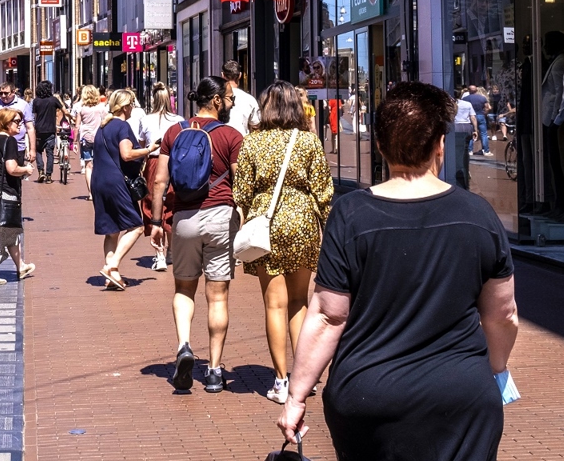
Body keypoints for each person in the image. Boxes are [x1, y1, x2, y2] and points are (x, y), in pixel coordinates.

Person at [277, 82, 518, 459]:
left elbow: (327, 315)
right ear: (440, 144)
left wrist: (296, 395)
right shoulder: (478, 215)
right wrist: (493, 370)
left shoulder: (351, 215)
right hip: (460, 397)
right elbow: (503, 314)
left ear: (380, 145)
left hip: (369, 394)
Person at [232, 82, 332, 404]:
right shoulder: (308, 141)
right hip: (302, 222)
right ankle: (305, 375)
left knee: (273, 303)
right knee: (299, 301)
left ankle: (280, 380)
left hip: (266, 223)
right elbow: (323, 191)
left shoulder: (253, 143)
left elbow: (242, 193)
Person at [151, 76, 243, 394]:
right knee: (217, 296)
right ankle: (215, 371)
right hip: (220, 217)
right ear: (216, 100)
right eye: (229, 98)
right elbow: (240, 182)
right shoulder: (231, 135)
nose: (232, 103)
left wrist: (154, 219)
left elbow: (160, 180)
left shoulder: (175, 132)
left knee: (184, 289)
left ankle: (184, 346)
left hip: (185, 218)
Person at [90, 89, 158, 290]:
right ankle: (111, 265)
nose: (133, 109)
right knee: (136, 226)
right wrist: (148, 150)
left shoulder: (103, 127)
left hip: (98, 181)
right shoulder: (122, 126)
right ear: (126, 106)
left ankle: (112, 276)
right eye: (133, 105)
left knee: (112, 231)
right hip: (115, 181)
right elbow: (127, 154)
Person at [0, 107, 37, 285]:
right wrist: (25, 169)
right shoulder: (9, 141)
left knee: (10, 230)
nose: (20, 125)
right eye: (16, 121)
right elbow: (11, 168)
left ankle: (20, 266)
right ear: (6, 123)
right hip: (3, 192)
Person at [136, 84, 185, 272]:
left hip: (154, 163)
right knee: (172, 203)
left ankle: (159, 254)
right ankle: (171, 250)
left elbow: (142, 145)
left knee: (151, 204)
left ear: (153, 99)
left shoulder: (146, 120)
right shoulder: (179, 120)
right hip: (174, 163)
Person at [0, 82, 36, 167]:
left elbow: (30, 128)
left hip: (18, 147)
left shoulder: (23, 105)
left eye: (6, 93)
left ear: (13, 92)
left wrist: (32, 150)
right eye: (1, 93)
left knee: (15, 175)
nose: (3, 96)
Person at [30, 81, 64, 183]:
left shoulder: (36, 101)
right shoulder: (54, 100)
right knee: (50, 153)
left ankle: (41, 171)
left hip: (39, 130)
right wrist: (71, 118)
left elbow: (34, 116)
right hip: (50, 130)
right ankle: (49, 175)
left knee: (39, 151)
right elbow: (64, 110)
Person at [70, 86, 105, 183]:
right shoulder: (101, 108)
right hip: (99, 138)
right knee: (100, 164)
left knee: (88, 166)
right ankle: (98, 189)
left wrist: (75, 142)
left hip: (86, 138)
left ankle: (90, 193)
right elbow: (107, 121)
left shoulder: (81, 109)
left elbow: (77, 126)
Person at [222, 60, 260, 136]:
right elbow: (256, 124)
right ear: (240, 75)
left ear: (222, 75)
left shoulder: (215, 98)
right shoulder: (249, 99)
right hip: (240, 142)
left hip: (219, 142)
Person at [465, 84, 490, 155]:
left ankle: (470, 151)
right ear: (476, 90)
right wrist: (484, 113)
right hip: (480, 115)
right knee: (484, 134)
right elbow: (487, 107)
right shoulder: (482, 98)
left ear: (469, 91)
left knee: (471, 133)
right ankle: (486, 150)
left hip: (471, 117)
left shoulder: (465, 99)